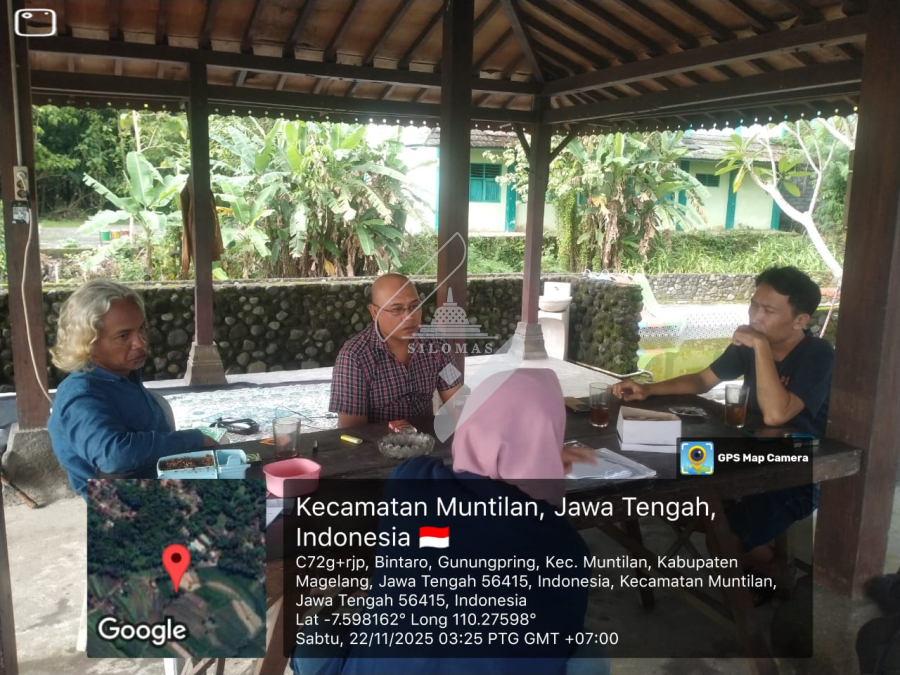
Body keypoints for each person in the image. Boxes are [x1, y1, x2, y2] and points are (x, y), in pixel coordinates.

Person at [293, 368, 608, 675]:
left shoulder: (409, 481)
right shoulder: (567, 548)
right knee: (587, 648)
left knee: (319, 632)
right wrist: (540, 464)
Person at [613, 266, 831, 594]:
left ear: (800, 320)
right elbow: (703, 380)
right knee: (661, 482)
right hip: (746, 455)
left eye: (768, 310)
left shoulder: (818, 355)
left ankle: (773, 570)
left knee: (722, 540)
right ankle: (762, 563)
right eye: (754, 305)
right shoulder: (748, 345)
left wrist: (759, 347)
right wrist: (649, 389)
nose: (755, 316)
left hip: (796, 473)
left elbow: (776, 415)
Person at [48, 280, 213, 498]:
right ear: (89, 343)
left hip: (162, 487)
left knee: (247, 467)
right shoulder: (81, 394)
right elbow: (113, 455)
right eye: (123, 336)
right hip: (125, 507)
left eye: (142, 328)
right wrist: (193, 439)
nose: (140, 342)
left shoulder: (123, 378)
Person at [329, 274, 462, 428]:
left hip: (425, 439)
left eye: (414, 306)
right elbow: (353, 432)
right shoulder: (354, 357)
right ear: (374, 313)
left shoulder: (436, 344)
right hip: (376, 442)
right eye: (397, 309)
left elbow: (457, 400)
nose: (409, 317)